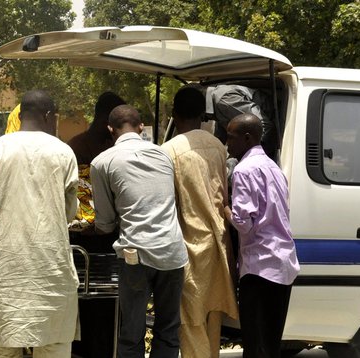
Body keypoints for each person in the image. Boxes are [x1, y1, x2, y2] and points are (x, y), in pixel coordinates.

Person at [0, 90, 79, 357]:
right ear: (48, 116)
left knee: (3, 345)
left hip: (9, 267)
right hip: (51, 267)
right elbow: (69, 212)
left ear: (19, 116)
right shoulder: (63, 151)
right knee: (54, 344)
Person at [90, 104, 188, 358]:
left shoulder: (102, 162)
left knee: (131, 333)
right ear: (141, 127)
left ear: (110, 129)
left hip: (136, 254)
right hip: (172, 252)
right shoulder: (163, 155)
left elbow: (105, 222)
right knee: (168, 329)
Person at [161, 87, 238, 358]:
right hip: (218, 242)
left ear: (174, 113)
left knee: (190, 321)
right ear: (203, 114)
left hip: (189, 244)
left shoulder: (168, 150)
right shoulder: (218, 145)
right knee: (211, 318)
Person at [224, 113, 300, 358]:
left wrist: (224, 208)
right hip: (282, 265)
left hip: (259, 268)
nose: (227, 144)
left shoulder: (243, 171)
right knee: (270, 345)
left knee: (256, 347)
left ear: (247, 138)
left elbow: (243, 223)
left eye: (231, 138)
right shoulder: (274, 168)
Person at [67, 91, 125, 358]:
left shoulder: (95, 146)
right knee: (92, 313)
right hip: (88, 243)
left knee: (106, 314)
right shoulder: (81, 148)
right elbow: (84, 205)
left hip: (105, 241)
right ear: (106, 119)